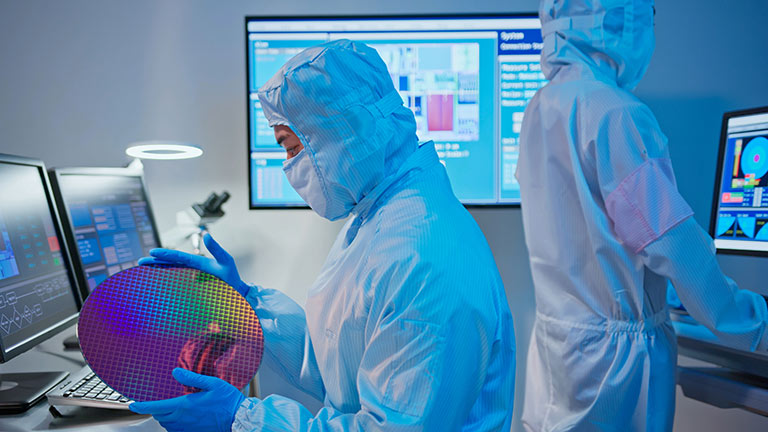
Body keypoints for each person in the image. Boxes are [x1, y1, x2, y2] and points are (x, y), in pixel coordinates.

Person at [130, 39, 516, 432]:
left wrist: (240, 418)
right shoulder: (378, 214)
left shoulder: (422, 257)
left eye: (293, 147)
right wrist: (247, 305)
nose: (289, 167)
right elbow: (343, 364)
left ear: (346, 132)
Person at [516, 0, 768, 431]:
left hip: (562, 352)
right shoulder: (614, 112)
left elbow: (589, 240)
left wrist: (662, 295)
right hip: (613, 370)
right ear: (616, 16)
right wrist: (752, 320)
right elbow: (672, 243)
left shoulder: (540, 108)